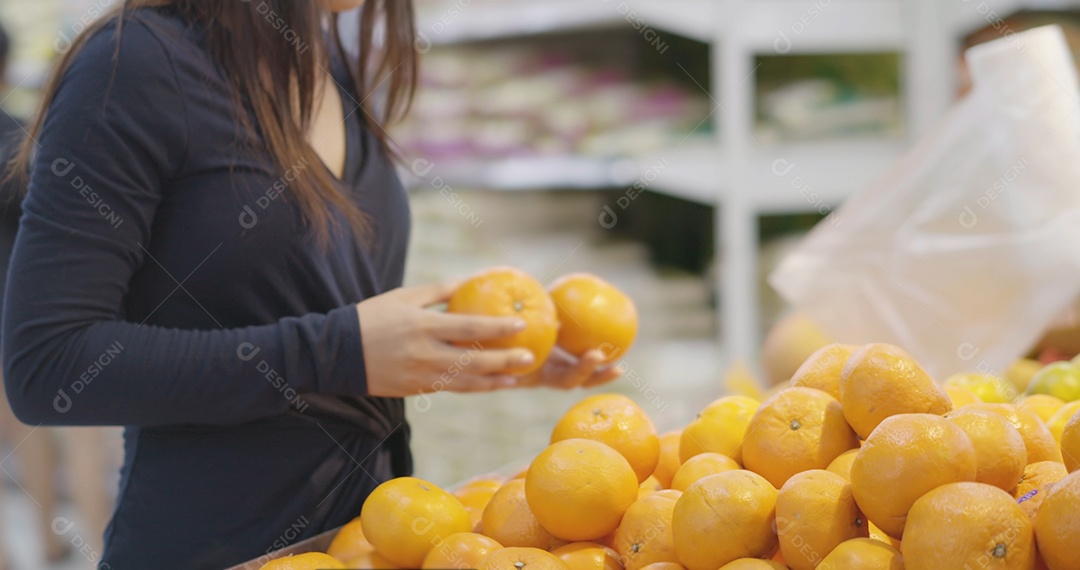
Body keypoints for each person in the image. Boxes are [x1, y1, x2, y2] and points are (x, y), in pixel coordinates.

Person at [1, 1, 620, 568]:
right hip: (210, 545)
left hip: (368, 536)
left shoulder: (323, 61)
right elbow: (47, 365)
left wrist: (466, 348)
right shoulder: (132, 64)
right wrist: (337, 352)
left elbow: (316, 313)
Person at [0, 19, 117, 568]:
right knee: (75, 437)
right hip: (40, 304)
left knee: (19, 440)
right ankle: (89, 546)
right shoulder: (23, 137)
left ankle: (24, 546)